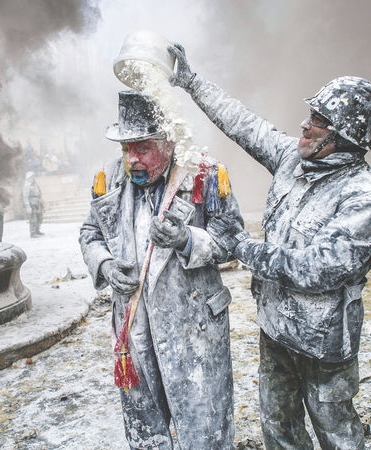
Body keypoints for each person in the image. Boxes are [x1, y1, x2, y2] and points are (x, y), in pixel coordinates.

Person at [167, 43, 371, 449]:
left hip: (324, 347)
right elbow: (243, 123)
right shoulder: (293, 160)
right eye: (310, 115)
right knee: (279, 431)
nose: (304, 124)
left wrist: (245, 246)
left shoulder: (360, 194)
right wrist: (190, 82)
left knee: (338, 435)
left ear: (342, 137)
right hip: (275, 331)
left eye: (317, 120)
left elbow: (317, 269)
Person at [79, 89, 243, 449]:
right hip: (134, 334)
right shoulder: (108, 178)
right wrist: (105, 266)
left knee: (205, 430)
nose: (131, 159)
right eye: (126, 149)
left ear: (168, 142)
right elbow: (90, 234)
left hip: (193, 329)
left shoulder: (205, 173)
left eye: (142, 148)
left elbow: (231, 240)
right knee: (145, 432)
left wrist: (187, 240)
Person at [22, 171, 44, 238]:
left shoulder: (35, 184)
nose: (33, 178)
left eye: (33, 176)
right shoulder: (27, 185)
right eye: (31, 177)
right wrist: (28, 206)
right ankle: (33, 233)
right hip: (32, 204)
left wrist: (41, 200)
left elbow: (39, 193)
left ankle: (37, 230)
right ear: (28, 178)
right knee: (33, 219)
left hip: (37, 203)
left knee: (39, 217)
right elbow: (25, 197)